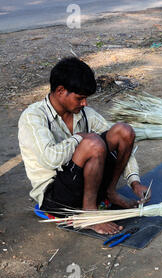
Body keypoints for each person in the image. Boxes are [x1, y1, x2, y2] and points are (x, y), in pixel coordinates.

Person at [18, 57, 150, 235]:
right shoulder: (33, 117)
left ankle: (110, 192)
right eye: (80, 98)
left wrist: (134, 181)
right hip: (56, 195)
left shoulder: (85, 113)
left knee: (124, 131)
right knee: (92, 143)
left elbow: (119, 141)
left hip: (86, 185)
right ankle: (89, 213)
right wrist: (79, 138)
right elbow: (49, 159)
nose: (85, 103)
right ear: (60, 91)